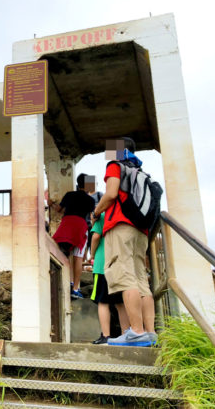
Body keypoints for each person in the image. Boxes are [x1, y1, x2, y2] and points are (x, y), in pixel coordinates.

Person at [92, 137, 156, 347]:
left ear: (119, 150)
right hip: (140, 230)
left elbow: (111, 194)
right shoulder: (141, 172)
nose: (108, 153)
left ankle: (136, 332)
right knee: (140, 280)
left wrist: (96, 211)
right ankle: (149, 332)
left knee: (125, 277)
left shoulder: (115, 165)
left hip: (120, 226)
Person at [48, 173, 96, 299]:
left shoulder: (69, 195)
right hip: (80, 226)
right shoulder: (91, 200)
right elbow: (91, 215)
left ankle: (68, 281)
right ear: (87, 185)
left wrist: (51, 203)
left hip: (67, 223)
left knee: (65, 254)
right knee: (78, 257)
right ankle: (75, 289)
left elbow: (59, 210)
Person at [89, 211, 129, 344]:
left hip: (102, 265)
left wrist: (92, 255)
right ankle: (126, 334)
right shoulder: (123, 214)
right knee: (120, 302)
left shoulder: (101, 215)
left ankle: (106, 336)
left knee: (103, 301)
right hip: (119, 264)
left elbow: (96, 237)